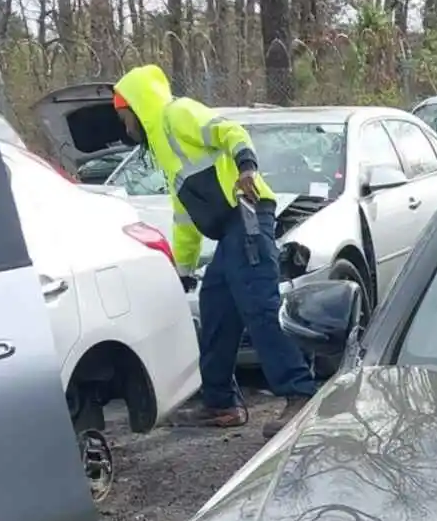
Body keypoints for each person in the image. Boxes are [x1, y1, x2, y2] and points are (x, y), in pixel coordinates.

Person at [111, 64, 317, 432]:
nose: (125, 128)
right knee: (217, 310)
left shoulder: (178, 114)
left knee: (259, 306)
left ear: (138, 108)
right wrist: (184, 271)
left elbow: (229, 131)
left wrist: (247, 168)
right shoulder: (163, 147)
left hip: (248, 213)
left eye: (125, 117)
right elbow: (184, 217)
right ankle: (221, 404)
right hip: (229, 232)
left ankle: (300, 395)